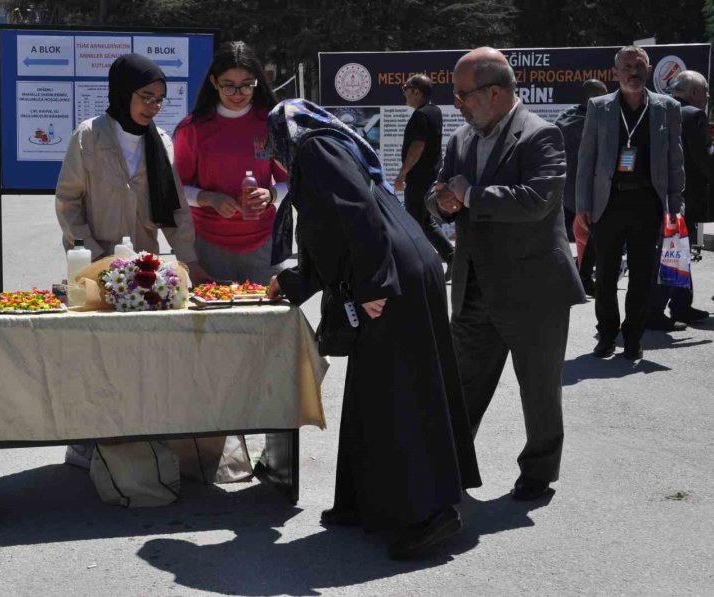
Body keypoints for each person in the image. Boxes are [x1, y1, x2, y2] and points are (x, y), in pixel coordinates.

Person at [265, 99, 481, 560]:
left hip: (390, 275)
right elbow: (329, 233)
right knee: (373, 390)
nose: (272, 153)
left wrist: (373, 284)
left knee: (403, 390)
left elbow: (357, 212)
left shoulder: (316, 149)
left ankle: (432, 513)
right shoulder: (331, 145)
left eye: (272, 143)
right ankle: (366, 501)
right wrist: (293, 282)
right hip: (400, 264)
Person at [426, 47, 584, 502]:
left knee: (538, 389)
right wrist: (444, 203)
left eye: (462, 95)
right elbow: (438, 195)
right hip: (475, 288)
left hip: (532, 290)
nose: (456, 103)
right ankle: (449, 465)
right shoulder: (461, 139)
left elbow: (538, 200)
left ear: (494, 92)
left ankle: (538, 471)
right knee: (461, 386)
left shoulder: (541, 135)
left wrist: (471, 195)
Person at [55, 53, 209, 469]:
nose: (153, 107)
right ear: (123, 94)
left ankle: (142, 438)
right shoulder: (88, 137)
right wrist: (96, 258)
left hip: (146, 272)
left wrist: (190, 262)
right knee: (97, 358)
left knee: (143, 358)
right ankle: (88, 442)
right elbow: (69, 203)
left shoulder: (161, 142)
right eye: (145, 97)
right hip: (93, 268)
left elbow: (176, 211)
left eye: (160, 99)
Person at [576, 46, 685, 359]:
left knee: (641, 275)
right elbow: (586, 158)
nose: (633, 72)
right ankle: (606, 335)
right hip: (607, 202)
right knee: (606, 275)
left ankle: (633, 338)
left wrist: (676, 204)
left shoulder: (667, 107)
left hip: (648, 202)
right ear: (615, 72)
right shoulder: (599, 106)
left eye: (639, 66)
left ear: (648, 70)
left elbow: (675, 160)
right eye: (627, 66)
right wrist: (583, 202)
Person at [173, 41, 288, 284]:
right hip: (208, 245)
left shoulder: (271, 123)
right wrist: (209, 198)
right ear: (214, 82)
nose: (238, 94)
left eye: (247, 85)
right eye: (229, 86)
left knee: (269, 317)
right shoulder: (193, 128)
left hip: (264, 244)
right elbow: (176, 190)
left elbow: (291, 182)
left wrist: (270, 195)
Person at [647, 70, 712, 326]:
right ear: (694, 92)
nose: (707, 96)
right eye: (705, 91)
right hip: (683, 195)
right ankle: (653, 311)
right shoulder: (694, 115)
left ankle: (682, 305)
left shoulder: (657, 108)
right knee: (672, 252)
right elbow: (706, 160)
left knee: (679, 250)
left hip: (658, 191)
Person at [394, 74, 455, 280]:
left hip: (419, 179)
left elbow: (418, 146)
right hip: (428, 176)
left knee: (416, 221)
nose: (404, 92)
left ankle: (423, 264)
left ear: (417, 91)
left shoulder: (421, 115)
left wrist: (402, 174)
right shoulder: (434, 111)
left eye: (406, 88)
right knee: (423, 220)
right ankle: (449, 257)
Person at [555, 79, 608, 296]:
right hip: (588, 189)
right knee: (594, 235)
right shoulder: (598, 120)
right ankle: (583, 277)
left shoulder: (565, 117)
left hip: (566, 189)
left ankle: (574, 275)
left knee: (573, 237)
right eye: (605, 93)